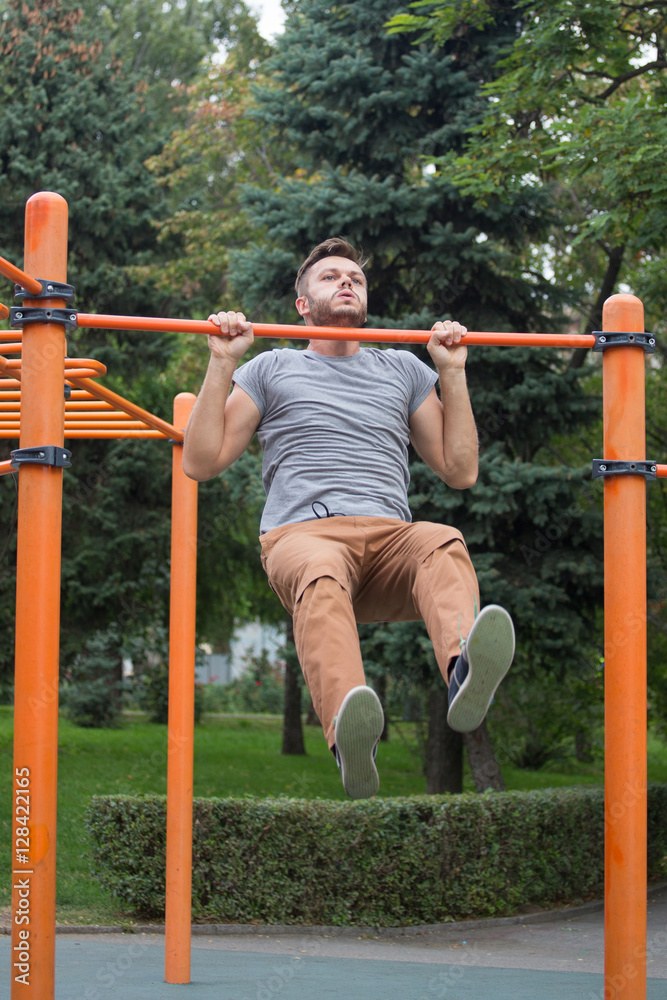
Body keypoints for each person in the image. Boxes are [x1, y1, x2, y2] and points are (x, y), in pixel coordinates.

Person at [183, 237, 515, 799]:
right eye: (330, 277)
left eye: (355, 279)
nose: (346, 283)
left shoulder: (403, 370)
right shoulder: (272, 367)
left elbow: (460, 471)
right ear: (303, 306)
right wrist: (221, 363)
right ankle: (349, 734)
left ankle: (463, 671)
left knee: (442, 538)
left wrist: (452, 371)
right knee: (319, 566)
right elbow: (201, 461)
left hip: (390, 540)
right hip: (302, 535)